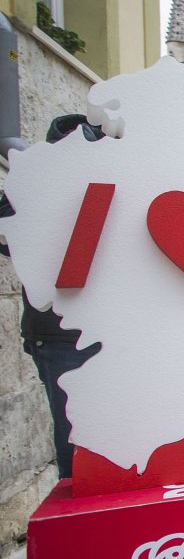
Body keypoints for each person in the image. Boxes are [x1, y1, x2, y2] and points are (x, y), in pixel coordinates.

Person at [0, 114, 105, 479]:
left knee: (117, 444)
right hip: (63, 336)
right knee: (80, 451)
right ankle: (86, 530)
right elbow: (8, 237)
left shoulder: (117, 173)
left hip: (102, 332)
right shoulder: (37, 178)